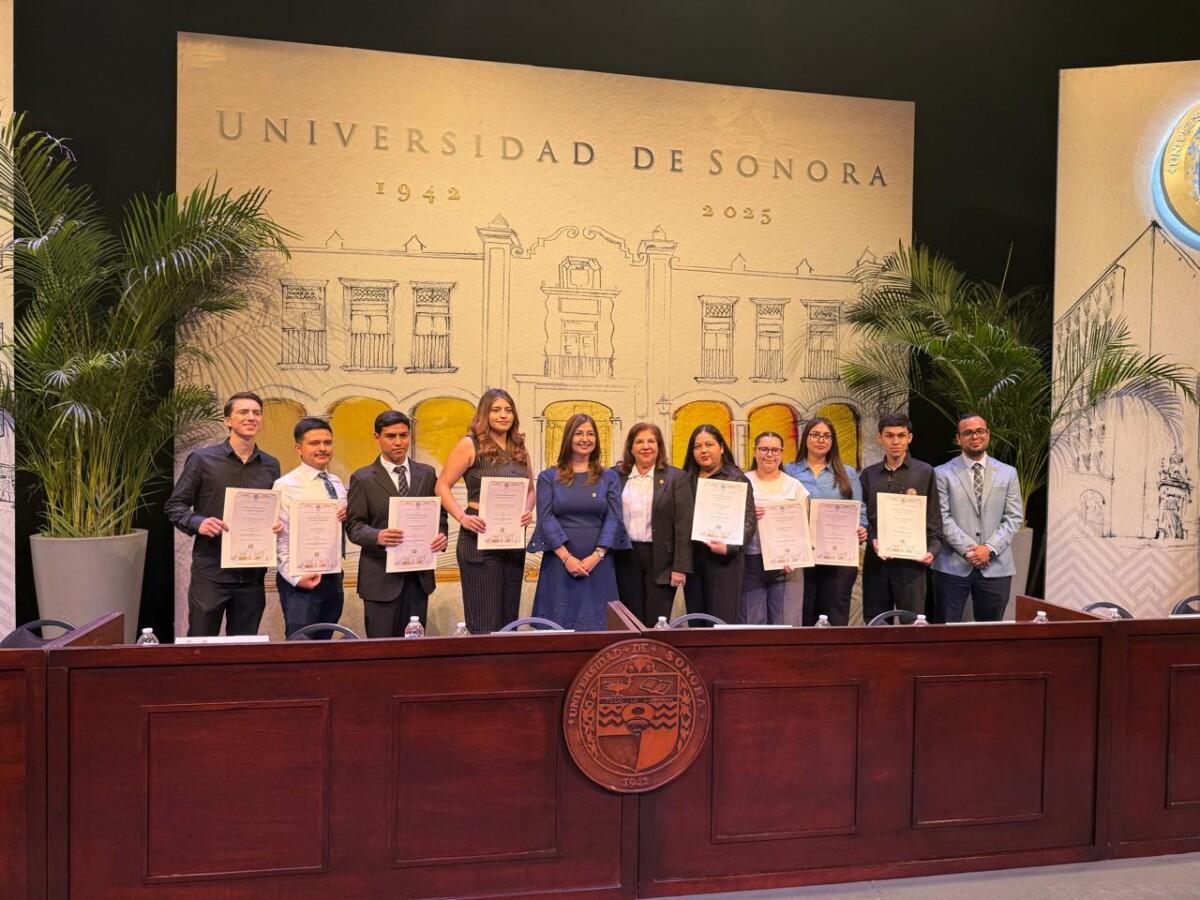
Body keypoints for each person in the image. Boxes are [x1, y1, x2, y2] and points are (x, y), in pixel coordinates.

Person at [165, 391, 281, 636]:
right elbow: (175, 506)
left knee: (244, 648)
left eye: (256, 413)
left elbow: (273, 511)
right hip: (211, 571)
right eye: (243, 412)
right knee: (201, 642)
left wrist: (277, 525)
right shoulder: (202, 460)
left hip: (252, 573)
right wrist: (199, 522)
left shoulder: (271, 465)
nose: (251, 417)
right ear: (228, 420)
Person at [435, 388, 535, 633]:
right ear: (484, 414)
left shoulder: (519, 447)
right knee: (485, 622)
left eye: (508, 410)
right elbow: (441, 486)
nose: (503, 415)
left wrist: (527, 510)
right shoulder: (470, 445)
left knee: (508, 621)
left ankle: (506, 670)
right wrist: (462, 517)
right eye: (496, 410)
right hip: (479, 541)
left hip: (511, 542)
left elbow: (531, 490)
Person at [346, 410, 449, 638]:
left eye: (403, 435)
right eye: (391, 436)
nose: (398, 442)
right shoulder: (362, 478)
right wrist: (377, 536)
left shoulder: (427, 473)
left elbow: (439, 515)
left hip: (417, 577)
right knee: (381, 652)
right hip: (380, 580)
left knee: (414, 652)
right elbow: (353, 526)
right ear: (377, 437)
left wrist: (441, 535)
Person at [527, 414, 625, 630]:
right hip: (559, 564)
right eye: (579, 433)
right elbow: (546, 518)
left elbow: (613, 518)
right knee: (556, 633)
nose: (585, 438)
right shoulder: (548, 477)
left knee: (600, 630)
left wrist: (597, 555)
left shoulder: (609, 477)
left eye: (590, 434)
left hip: (599, 565)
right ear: (569, 438)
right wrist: (566, 558)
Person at [932, 413, 1024, 622]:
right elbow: (941, 518)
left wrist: (989, 549)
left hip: (996, 565)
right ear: (959, 438)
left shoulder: (1008, 473)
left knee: (989, 635)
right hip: (952, 565)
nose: (975, 436)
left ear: (988, 434)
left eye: (980, 431)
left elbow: (1014, 517)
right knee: (945, 634)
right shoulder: (941, 473)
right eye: (968, 432)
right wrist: (971, 550)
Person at [859, 412, 944, 624]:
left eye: (901, 435)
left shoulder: (925, 472)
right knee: (876, 624)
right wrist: (873, 540)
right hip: (877, 563)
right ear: (880, 438)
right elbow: (863, 518)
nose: (895, 441)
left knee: (912, 624)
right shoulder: (869, 475)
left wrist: (932, 552)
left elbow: (934, 519)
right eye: (889, 435)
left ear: (910, 438)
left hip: (912, 565)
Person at [783, 416, 868, 626]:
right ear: (806, 438)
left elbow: (860, 510)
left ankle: (836, 659)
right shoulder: (789, 471)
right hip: (803, 558)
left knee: (835, 615)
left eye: (826, 436)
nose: (821, 440)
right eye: (815, 435)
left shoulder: (847, 473)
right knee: (804, 614)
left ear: (832, 442)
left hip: (838, 559)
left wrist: (861, 528)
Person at [611, 422, 693, 627]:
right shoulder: (616, 476)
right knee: (629, 622)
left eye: (651, 441)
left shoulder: (676, 478)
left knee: (656, 622)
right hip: (625, 558)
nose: (645, 446)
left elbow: (684, 525)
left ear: (659, 446)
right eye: (639, 441)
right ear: (631, 447)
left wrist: (680, 567)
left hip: (663, 562)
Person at [273, 417, 348, 638]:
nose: (323, 448)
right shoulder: (285, 485)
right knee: (301, 646)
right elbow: (279, 537)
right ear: (299, 448)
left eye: (327, 442)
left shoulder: (336, 483)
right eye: (315, 443)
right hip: (300, 579)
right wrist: (295, 578)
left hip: (332, 576)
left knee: (325, 645)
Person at [682, 424, 757, 625]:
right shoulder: (685, 479)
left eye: (709, 444)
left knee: (721, 623)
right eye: (697, 447)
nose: (703, 450)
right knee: (696, 620)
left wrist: (730, 547)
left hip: (725, 560)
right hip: (694, 559)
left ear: (721, 447)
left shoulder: (737, 478)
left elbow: (749, 520)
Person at [742, 431, 808, 625]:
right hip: (750, 562)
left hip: (787, 566)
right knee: (752, 624)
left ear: (781, 453)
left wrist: (795, 555)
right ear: (754, 452)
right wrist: (748, 514)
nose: (769, 454)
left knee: (787, 625)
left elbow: (803, 527)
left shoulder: (795, 486)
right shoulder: (743, 481)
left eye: (774, 450)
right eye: (764, 449)